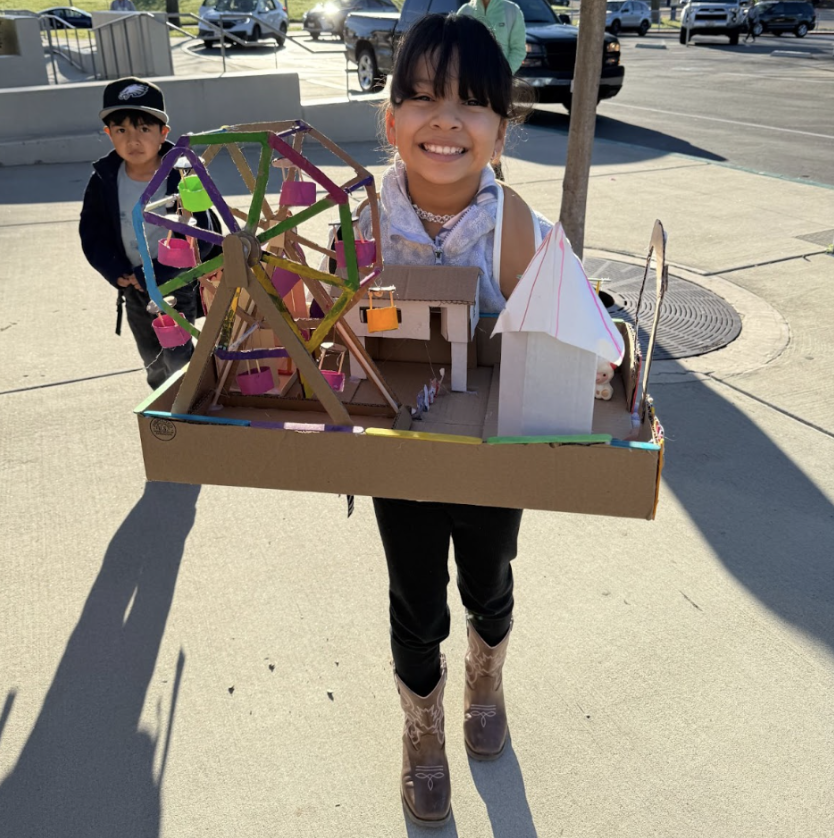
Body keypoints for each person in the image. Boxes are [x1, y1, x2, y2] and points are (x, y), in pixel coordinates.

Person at [353, 14, 552, 828]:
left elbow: (565, 323)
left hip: (489, 451)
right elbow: (328, 317)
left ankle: (486, 673)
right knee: (412, 595)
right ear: (392, 119)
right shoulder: (361, 215)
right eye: (424, 97)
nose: (446, 119)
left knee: (488, 575)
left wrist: (601, 350)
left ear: (501, 131)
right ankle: (422, 725)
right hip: (398, 447)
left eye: (472, 103)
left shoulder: (514, 226)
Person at [79, 77, 206, 390]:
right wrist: (114, 269)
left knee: (180, 361)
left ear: (164, 133)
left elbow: (204, 232)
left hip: (175, 284)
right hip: (133, 288)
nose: (132, 140)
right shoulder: (104, 178)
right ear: (108, 134)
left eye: (144, 129)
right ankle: (163, 412)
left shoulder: (183, 176)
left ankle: (189, 412)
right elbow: (92, 231)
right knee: (152, 361)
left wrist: (160, 270)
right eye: (121, 130)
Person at [458, 0, 525, 179]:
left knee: (496, 129)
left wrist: (500, 76)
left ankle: (495, 172)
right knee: (469, 129)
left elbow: (518, 50)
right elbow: (455, 49)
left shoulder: (511, 11)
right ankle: (471, 171)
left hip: (498, 86)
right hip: (468, 86)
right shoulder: (465, 11)